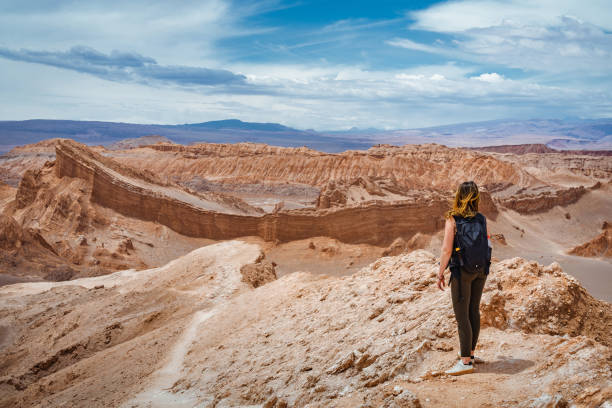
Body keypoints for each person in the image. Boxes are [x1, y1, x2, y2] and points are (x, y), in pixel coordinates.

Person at [437, 181, 490, 376]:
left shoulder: (453, 219)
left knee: (462, 317)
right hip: (481, 270)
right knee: (473, 312)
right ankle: (471, 354)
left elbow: (446, 249)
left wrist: (440, 272)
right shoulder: (482, 218)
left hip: (462, 272)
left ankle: (465, 362)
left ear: (459, 196)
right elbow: (486, 242)